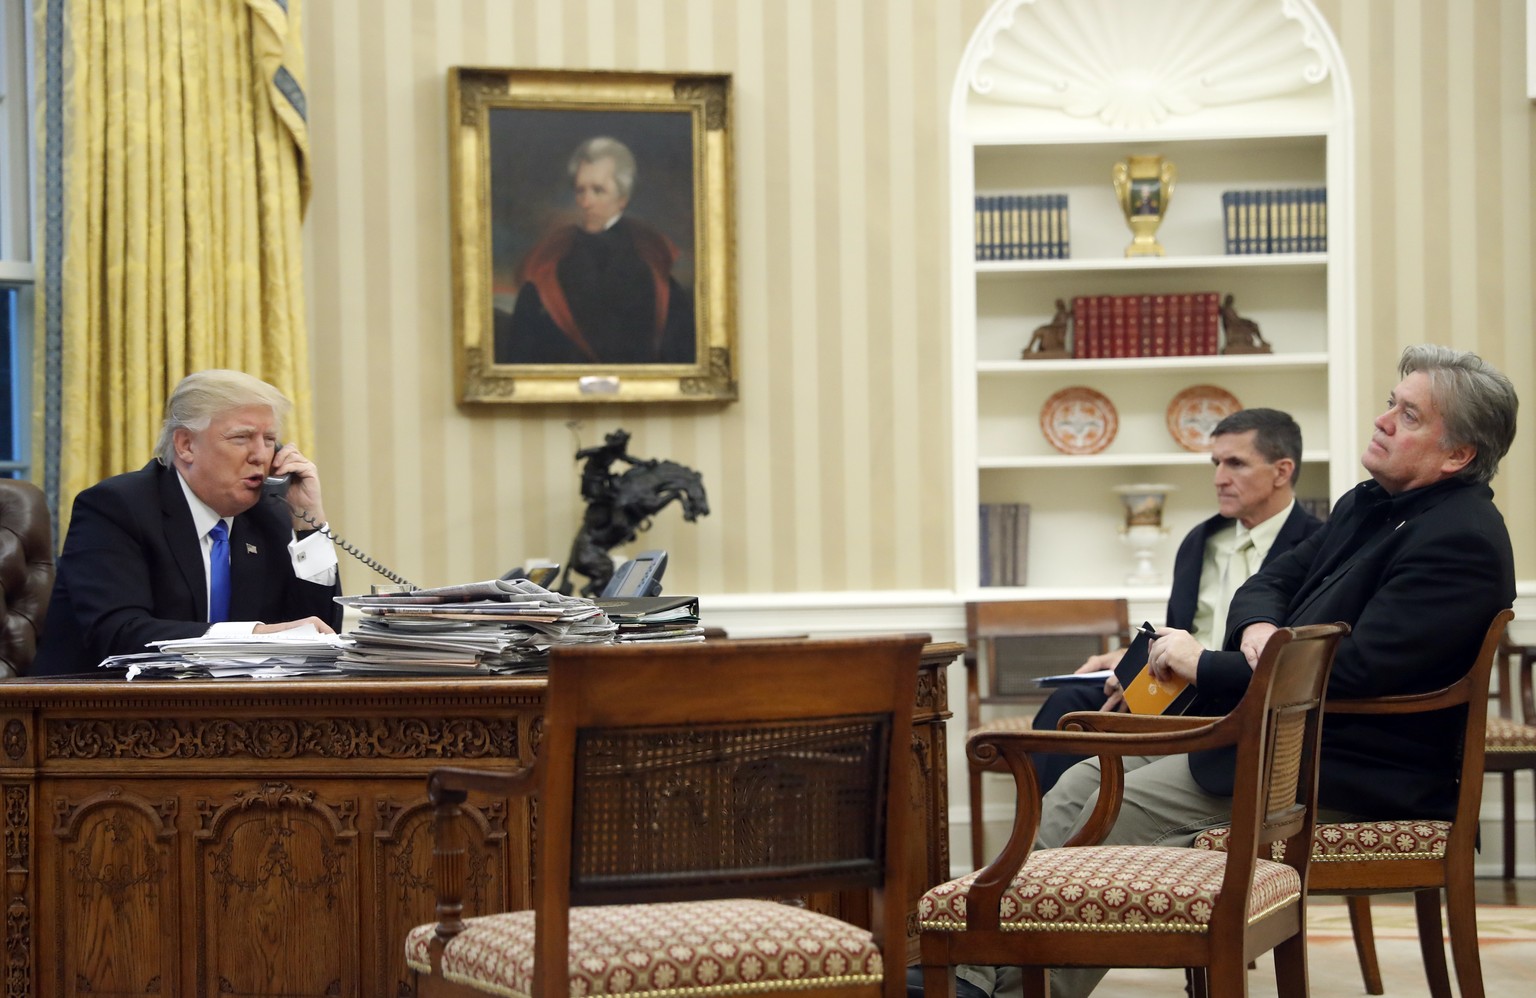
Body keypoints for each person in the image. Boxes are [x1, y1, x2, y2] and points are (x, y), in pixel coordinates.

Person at [959, 345, 1518, 998]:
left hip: (1348, 771)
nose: (1384, 420)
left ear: (1458, 455)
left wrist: (1223, 664)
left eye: (1410, 415)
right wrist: (1259, 632)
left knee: (1116, 816)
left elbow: (1355, 673)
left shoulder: (1461, 539)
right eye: (1392, 403)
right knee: (1082, 781)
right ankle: (976, 976)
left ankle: (1012, 990)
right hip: (1279, 741)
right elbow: (1270, 582)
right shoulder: (1369, 504)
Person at [1027, 408, 1323, 794]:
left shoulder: (1317, 548)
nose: (1218, 478)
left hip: (1242, 696)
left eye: (1235, 464)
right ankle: (1042, 846)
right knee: (1070, 705)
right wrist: (1132, 662)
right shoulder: (1201, 541)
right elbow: (1179, 630)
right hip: (1177, 688)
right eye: (1216, 463)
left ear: (1282, 471)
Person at [32, 370, 344, 675]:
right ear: (186, 445)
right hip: (93, 711)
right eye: (242, 438)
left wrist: (311, 525)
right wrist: (255, 635)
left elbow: (320, 632)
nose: (260, 455)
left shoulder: (268, 516)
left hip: (230, 714)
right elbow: (120, 634)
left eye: (269, 440)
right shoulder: (116, 507)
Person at [495, 136, 696, 366]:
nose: (585, 202)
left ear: (623, 198)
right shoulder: (549, 262)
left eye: (598, 191)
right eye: (580, 191)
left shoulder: (652, 263)